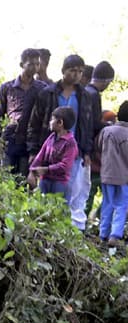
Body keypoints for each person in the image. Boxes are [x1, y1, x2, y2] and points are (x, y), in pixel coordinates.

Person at [27, 54, 97, 231]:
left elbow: (88, 124)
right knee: (46, 189)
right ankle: (43, 226)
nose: (77, 75)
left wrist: (87, 151)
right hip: (51, 147)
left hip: (74, 148)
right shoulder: (48, 93)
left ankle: (66, 229)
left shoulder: (85, 96)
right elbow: (35, 122)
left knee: (70, 191)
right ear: (64, 71)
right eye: (73, 71)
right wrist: (34, 151)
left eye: (80, 72)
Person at [0, 48, 47, 178]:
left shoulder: (42, 89)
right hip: (10, 139)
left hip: (30, 142)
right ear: (22, 65)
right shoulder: (7, 87)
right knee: (6, 177)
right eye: (31, 64)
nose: (35, 67)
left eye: (37, 64)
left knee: (25, 181)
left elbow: (43, 117)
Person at [28, 106, 78, 204]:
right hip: (46, 179)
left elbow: (65, 166)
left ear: (60, 123)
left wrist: (46, 169)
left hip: (60, 183)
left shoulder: (70, 143)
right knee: (41, 206)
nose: (50, 122)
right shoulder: (51, 138)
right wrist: (32, 171)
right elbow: (40, 155)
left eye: (52, 119)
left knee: (57, 209)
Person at [85, 61, 116, 218]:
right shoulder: (94, 94)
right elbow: (94, 124)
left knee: (84, 191)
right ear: (105, 80)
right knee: (87, 191)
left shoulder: (84, 91)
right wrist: (108, 125)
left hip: (81, 147)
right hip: (87, 150)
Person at [95, 101, 128, 247]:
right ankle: (115, 234)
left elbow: (98, 146)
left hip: (107, 173)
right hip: (123, 176)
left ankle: (103, 234)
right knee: (121, 205)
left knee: (107, 203)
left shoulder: (107, 131)